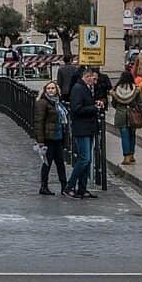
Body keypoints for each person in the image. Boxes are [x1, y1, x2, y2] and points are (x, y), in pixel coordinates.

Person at [64, 68, 103, 199]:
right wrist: (94, 108)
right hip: (81, 129)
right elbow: (76, 108)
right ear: (87, 77)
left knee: (88, 160)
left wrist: (94, 104)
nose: (95, 81)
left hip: (88, 128)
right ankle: (69, 186)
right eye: (94, 78)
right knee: (84, 159)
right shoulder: (78, 88)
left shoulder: (86, 88)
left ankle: (82, 188)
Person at [33, 81, 68, 195]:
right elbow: (39, 122)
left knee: (60, 163)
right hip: (48, 138)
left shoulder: (57, 103)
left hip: (58, 137)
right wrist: (40, 140)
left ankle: (64, 186)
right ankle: (44, 186)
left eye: (53, 88)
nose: (51, 90)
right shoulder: (42, 103)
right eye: (48, 88)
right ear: (45, 90)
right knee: (47, 163)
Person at [110, 71, 142, 165]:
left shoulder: (116, 90)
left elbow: (114, 104)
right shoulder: (135, 89)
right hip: (133, 114)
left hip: (121, 114)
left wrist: (120, 108)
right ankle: (131, 155)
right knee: (132, 135)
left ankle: (126, 156)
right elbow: (141, 104)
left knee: (124, 136)